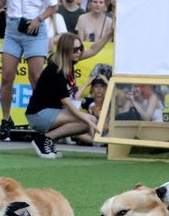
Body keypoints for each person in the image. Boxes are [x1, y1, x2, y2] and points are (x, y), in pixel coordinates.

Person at [0, 0, 58, 140]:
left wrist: (38, 19)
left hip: (35, 29)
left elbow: (54, 6)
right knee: (6, 76)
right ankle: (6, 119)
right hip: (13, 29)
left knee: (36, 78)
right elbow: (0, 2)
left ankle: (42, 119)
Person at [25, 30, 113, 159]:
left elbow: (93, 50)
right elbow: (67, 102)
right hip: (38, 115)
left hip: (52, 112)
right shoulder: (55, 71)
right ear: (66, 51)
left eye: (80, 48)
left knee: (88, 121)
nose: (79, 52)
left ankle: (48, 139)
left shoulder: (68, 60)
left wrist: (110, 32)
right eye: (75, 49)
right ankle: (44, 139)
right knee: (89, 120)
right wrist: (86, 119)